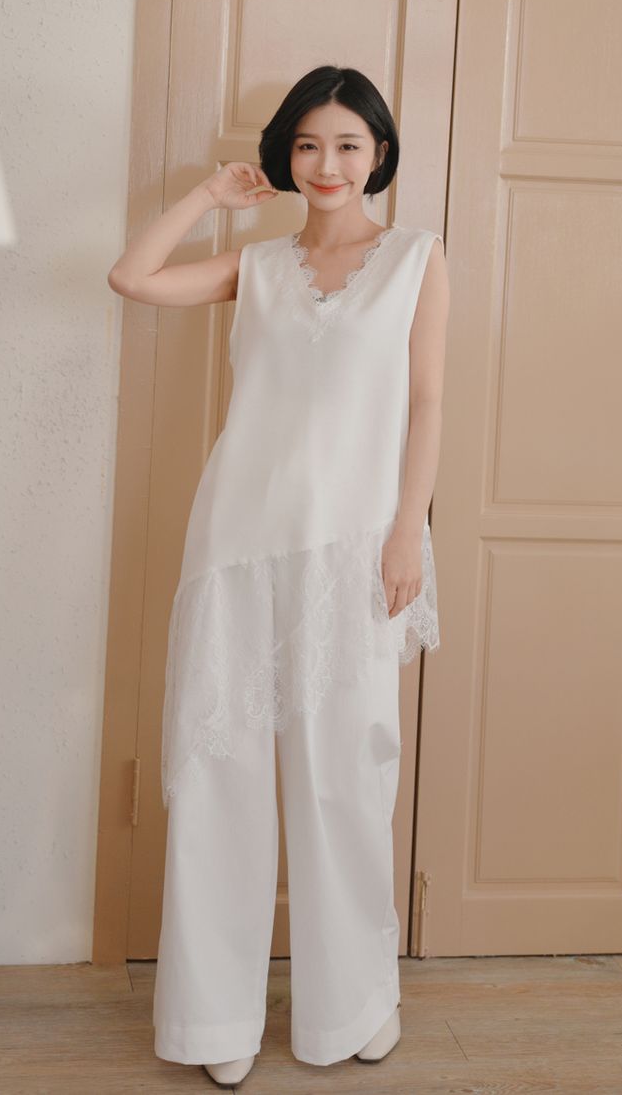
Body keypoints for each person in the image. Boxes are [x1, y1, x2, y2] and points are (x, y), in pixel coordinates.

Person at [108, 64, 450, 1087]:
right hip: (237, 549)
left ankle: (355, 1005)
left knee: (347, 780)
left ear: (378, 154)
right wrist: (209, 197)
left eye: (347, 144)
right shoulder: (254, 266)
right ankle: (213, 1020)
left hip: (355, 551)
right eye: (307, 144)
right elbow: (132, 278)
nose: (326, 163)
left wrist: (408, 531)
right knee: (220, 779)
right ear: (285, 156)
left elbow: (426, 403)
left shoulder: (417, 260)